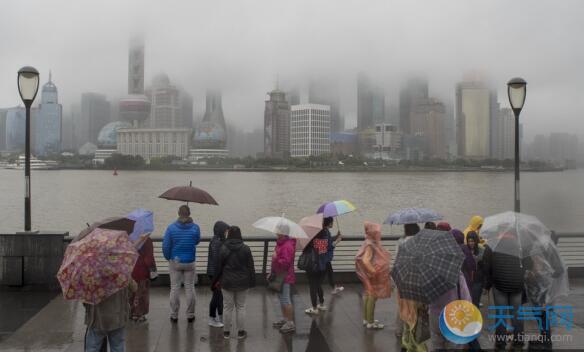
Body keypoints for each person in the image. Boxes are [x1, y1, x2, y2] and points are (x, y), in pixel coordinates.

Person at [483, 232, 527, 351]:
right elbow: (528, 264)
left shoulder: (492, 244)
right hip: (517, 285)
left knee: (501, 314)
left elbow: (486, 266)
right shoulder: (520, 245)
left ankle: (500, 343)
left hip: (499, 284)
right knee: (517, 314)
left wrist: (487, 285)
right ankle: (518, 341)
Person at [213, 226, 256, 340]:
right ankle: (241, 332)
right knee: (241, 307)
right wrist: (252, 282)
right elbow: (251, 267)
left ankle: (226, 333)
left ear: (229, 235)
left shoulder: (223, 248)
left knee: (227, 307)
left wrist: (215, 282)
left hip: (227, 282)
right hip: (243, 282)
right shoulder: (246, 249)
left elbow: (219, 268)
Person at [162, 205, 201, 323]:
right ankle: (190, 315)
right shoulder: (195, 227)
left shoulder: (171, 228)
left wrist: (169, 258)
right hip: (190, 261)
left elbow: (166, 246)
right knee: (190, 287)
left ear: (178, 213)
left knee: (175, 288)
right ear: (189, 214)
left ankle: (174, 315)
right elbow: (197, 241)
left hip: (176, 261)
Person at [355, 222, 392, 329]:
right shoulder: (370, 245)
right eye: (377, 232)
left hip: (368, 275)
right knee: (372, 296)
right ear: (373, 233)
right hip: (372, 275)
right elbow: (366, 260)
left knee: (368, 295)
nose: (379, 234)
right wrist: (374, 271)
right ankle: (370, 322)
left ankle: (367, 319)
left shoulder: (368, 242)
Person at [84, 279, 137, 352]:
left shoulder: (92, 275)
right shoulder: (121, 272)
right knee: (117, 346)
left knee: (93, 347)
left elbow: (85, 298)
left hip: (98, 319)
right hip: (117, 318)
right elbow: (134, 288)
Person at [428, 273, 472, 351]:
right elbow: (467, 300)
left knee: (437, 345)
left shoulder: (429, 274)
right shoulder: (457, 275)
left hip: (434, 316)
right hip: (452, 316)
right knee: (454, 346)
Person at [303, 219, 334, 315]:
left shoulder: (312, 237)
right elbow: (328, 248)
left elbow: (306, 249)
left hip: (313, 264)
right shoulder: (326, 234)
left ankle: (314, 308)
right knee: (318, 284)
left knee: (313, 286)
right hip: (323, 264)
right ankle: (321, 304)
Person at [395, 223, 420, 339]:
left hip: (401, 276)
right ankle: (412, 331)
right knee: (414, 306)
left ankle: (399, 330)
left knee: (402, 305)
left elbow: (396, 259)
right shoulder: (419, 242)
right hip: (414, 278)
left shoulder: (401, 241)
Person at [271, 233, 297, 334]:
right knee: (281, 298)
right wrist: (272, 272)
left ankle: (290, 323)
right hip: (278, 275)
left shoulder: (287, 245)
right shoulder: (280, 244)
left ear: (283, 232)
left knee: (286, 299)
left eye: (278, 231)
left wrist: (276, 257)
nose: (276, 232)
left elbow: (286, 263)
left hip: (285, 277)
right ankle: (285, 319)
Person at [207, 221, 230, 328]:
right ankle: (212, 318)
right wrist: (217, 277)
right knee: (216, 296)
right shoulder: (216, 242)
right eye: (225, 231)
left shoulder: (219, 240)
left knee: (220, 296)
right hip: (216, 273)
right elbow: (217, 260)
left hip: (218, 272)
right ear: (221, 230)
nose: (226, 233)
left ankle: (220, 317)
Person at [129, 236, 156, 322]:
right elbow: (149, 257)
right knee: (141, 293)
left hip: (129, 270)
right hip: (142, 270)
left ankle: (131, 312)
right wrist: (152, 269)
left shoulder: (128, 238)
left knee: (131, 293)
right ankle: (139, 314)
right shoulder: (147, 240)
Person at [324, 218, 344, 295]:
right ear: (329, 223)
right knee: (325, 274)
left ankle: (334, 288)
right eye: (332, 222)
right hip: (325, 257)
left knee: (329, 272)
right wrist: (337, 241)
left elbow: (328, 240)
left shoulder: (325, 231)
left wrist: (336, 236)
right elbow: (328, 246)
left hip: (325, 257)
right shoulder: (325, 232)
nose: (333, 224)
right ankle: (333, 288)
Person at [466, 231, 485, 308]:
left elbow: (484, 266)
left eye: (473, 241)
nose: (471, 243)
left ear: (476, 241)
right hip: (468, 279)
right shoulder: (465, 249)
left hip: (478, 279)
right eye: (469, 241)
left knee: (475, 300)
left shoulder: (481, 250)